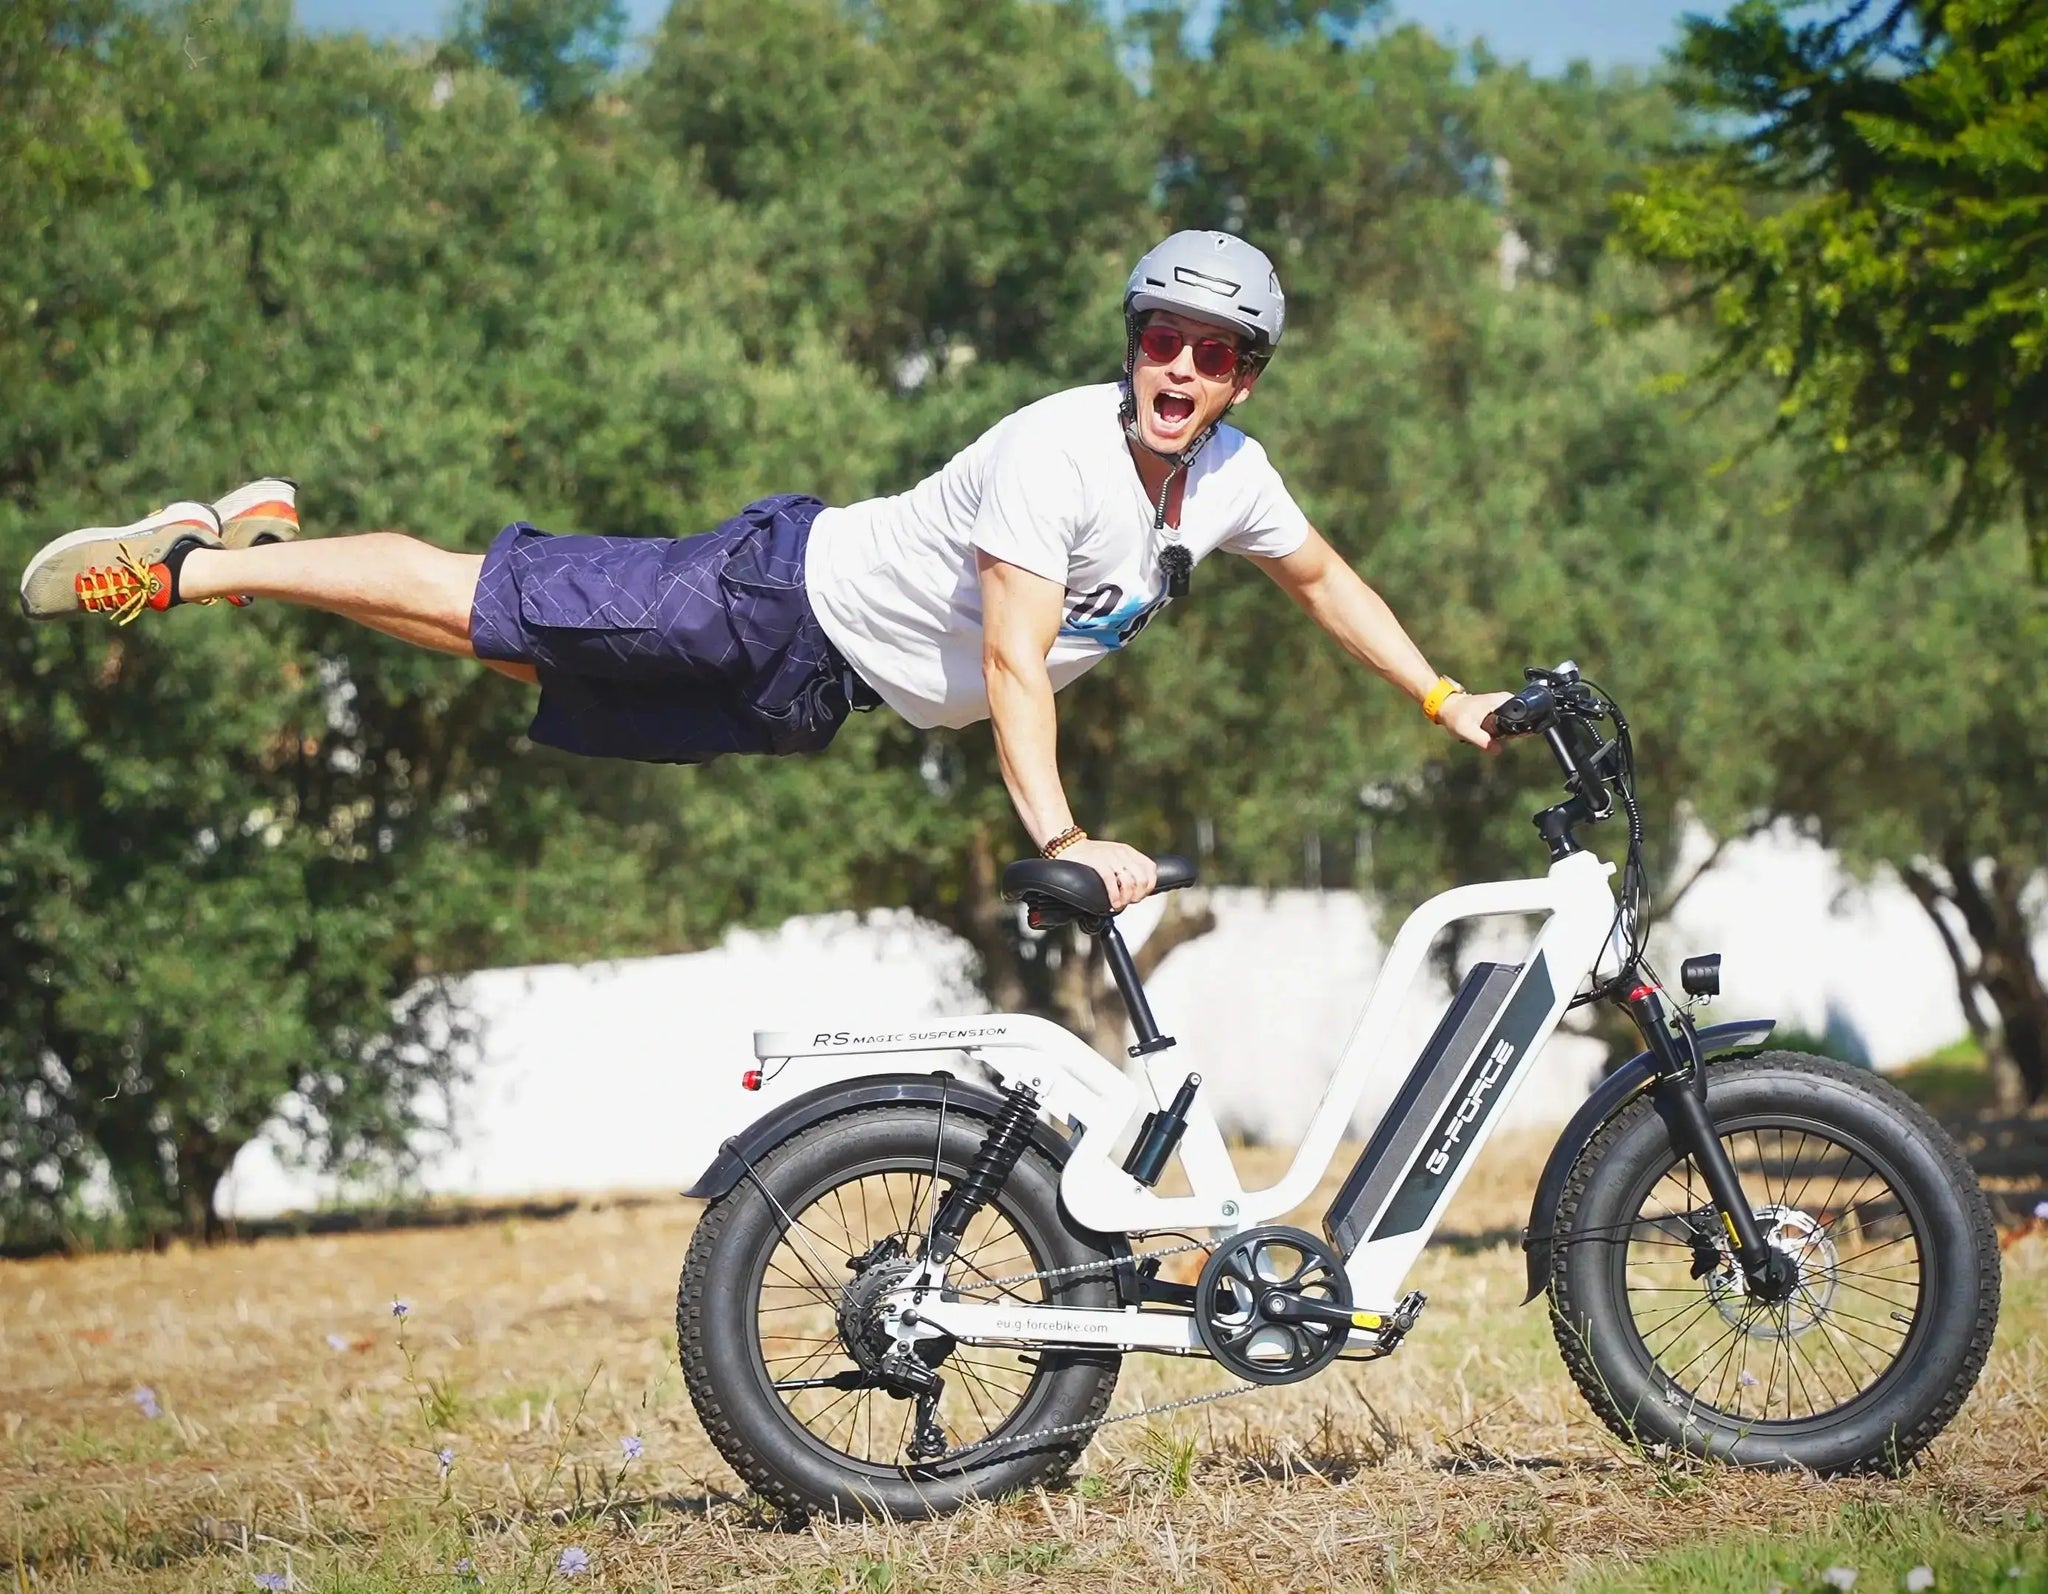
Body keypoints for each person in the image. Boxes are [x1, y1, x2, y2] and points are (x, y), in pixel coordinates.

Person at [19, 230, 1509, 908]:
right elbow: (1013, 662)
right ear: (1132, 344)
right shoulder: (1057, 455)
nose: (1178, 370)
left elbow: (1325, 581)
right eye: (1159, 339)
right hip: (770, 597)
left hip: (815, 688)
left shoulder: (1233, 477)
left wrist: (1445, 699)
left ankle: (273, 548)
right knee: (490, 595)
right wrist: (1062, 836)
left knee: (506, 651)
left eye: (1212, 354)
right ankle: (194, 565)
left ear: (1246, 378)